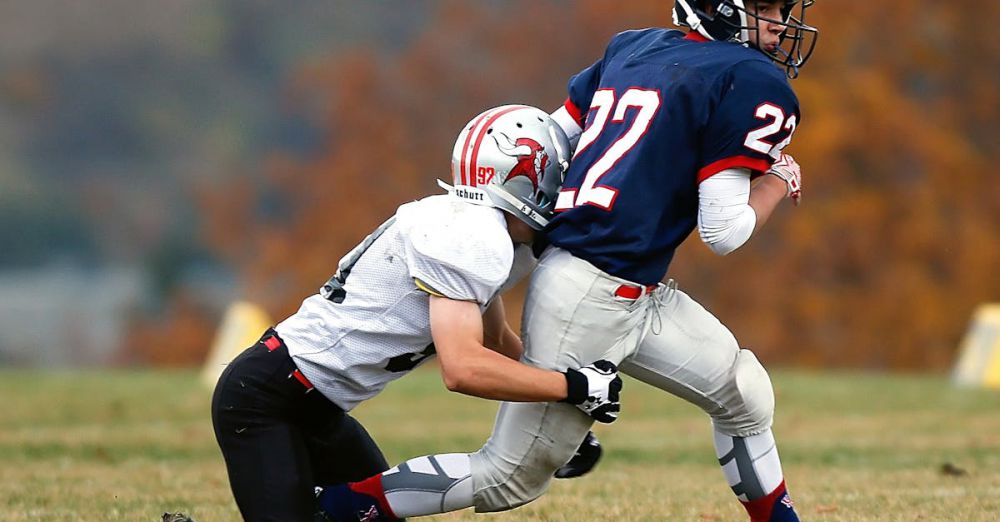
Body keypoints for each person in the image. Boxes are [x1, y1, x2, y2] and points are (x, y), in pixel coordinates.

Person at [318, 1, 818, 522]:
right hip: (591, 295)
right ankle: (336, 508)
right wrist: (778, 181)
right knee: (507, 478)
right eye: (764, 6)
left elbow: (548, 141)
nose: (780, 21)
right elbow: (725, 231)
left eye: (782, 8)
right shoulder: (752, 78)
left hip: (629, 288)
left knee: (742, 391)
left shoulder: (633, 47)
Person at [210, 104, 625, 522]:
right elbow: (462, 368)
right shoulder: (474, 236)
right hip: (267, 400)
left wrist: (559, 412)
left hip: (318, 407)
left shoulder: (481, 230)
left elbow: (495, 339)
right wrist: (571, 387)